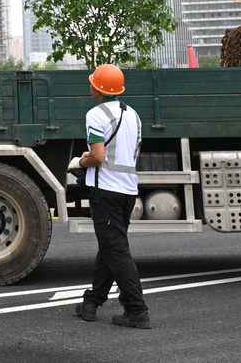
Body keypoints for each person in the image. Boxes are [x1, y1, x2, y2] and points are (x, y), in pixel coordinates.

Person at [74, 64, 150, 329]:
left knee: (116, 250)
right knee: (111, 246)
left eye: (92, 82)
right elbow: (135, 154)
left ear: (97, 89)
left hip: (106, 191)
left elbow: (97, 156)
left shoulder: (95, 114)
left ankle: (137, 310)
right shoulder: (134, 115)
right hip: (128, 190)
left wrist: (81, 162)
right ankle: (91, 302)